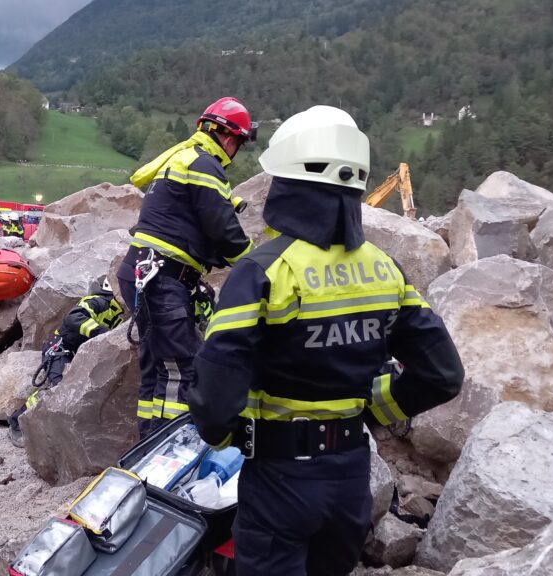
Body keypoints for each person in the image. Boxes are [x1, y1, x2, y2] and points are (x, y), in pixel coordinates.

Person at [186, 106, 464, 575]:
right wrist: (370, 411)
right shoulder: (385, 269)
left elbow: (215, 401)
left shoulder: (264, 271)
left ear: (288, 184)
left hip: (279, 477)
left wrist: (228, 433)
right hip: (351, 478)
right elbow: (443, 375)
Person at [116, 97, 258, 439]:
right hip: (163, 279)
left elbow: (192, 226)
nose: (236, 150)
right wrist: (255, 265)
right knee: (182, 366)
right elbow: (222, 228)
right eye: (239, 142)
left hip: (147, 272)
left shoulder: (183, 158)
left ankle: (147, 445)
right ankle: (169, 446)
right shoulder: (204, 164)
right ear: (229, 137)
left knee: (157, 367)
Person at [8, 275, 125, 447]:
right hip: (59, 348)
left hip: (79, 355)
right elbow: (73, 319)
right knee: (58, 387)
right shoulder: (97, 302)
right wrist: (101, 333)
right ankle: (17, 422)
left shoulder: (120, 312)